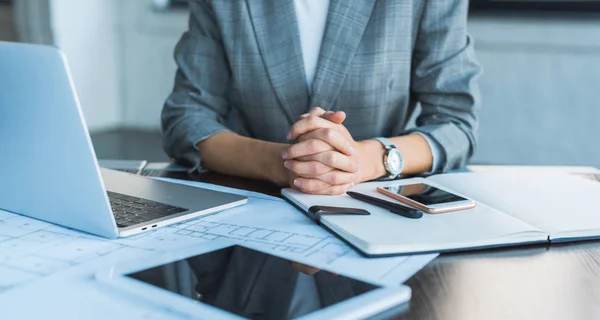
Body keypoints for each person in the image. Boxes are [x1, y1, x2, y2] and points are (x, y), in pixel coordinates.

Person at [162, 0, 481, 195]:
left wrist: (367, 160)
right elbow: (187, 117)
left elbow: (455, 122)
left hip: (377, 204)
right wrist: (280, 163)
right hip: (255, 208)